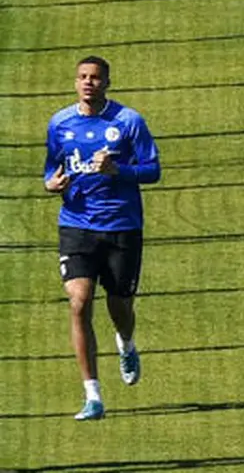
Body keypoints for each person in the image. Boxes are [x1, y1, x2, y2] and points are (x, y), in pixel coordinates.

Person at [44, 56, 161, 421]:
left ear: (107, 82)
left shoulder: (128, 122)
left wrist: (117, 170)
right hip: (76, 225)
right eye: (82, 77)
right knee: (79, 302)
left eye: (95, 77)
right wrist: (52, 184)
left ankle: (125, 343)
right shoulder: (60, 123)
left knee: (120, 305)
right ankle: (92, 395)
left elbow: (153, 170)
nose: (88, 83)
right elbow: (51, 167)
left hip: (122, 227)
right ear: (75, 82)